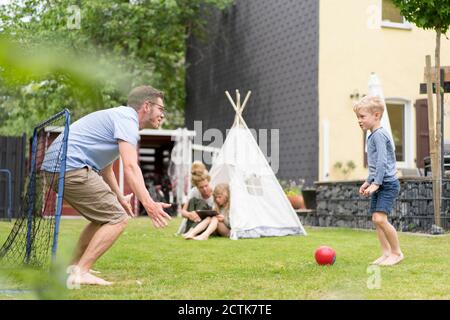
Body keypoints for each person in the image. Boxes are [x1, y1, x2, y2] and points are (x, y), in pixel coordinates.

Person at [42, 85, 172, 285]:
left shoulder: (121, 119)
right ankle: (81, 272)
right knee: (117, 219)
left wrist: (120, 197)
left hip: (57, 167)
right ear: (146, 106)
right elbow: (130, 166)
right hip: (69, 166)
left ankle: (73, 266)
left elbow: (106, 169)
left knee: (102, 218)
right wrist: (149, 204)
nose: (162, 115)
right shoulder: (127, 120)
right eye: (161, 109)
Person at [353, 96, 404, 266]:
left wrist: (377, 183)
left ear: (376, 115)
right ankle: (385, 253)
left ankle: (396, 253)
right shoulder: (372, 136)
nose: (359, 121)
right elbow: (375, 166)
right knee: (376, 219)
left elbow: (383, 162)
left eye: (362, 116)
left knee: (381, 219)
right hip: (379, 182)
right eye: (358, 117)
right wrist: (368, 181)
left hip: (387, 184)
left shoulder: (379, 135)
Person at [178, 161, 214, 234]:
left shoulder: (215, 190)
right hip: (196, 219)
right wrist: (190, 214)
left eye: (206, 186)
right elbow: (183, 212)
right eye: (201, 187)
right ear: (197, 187)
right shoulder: (194, 192)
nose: (204, 189)